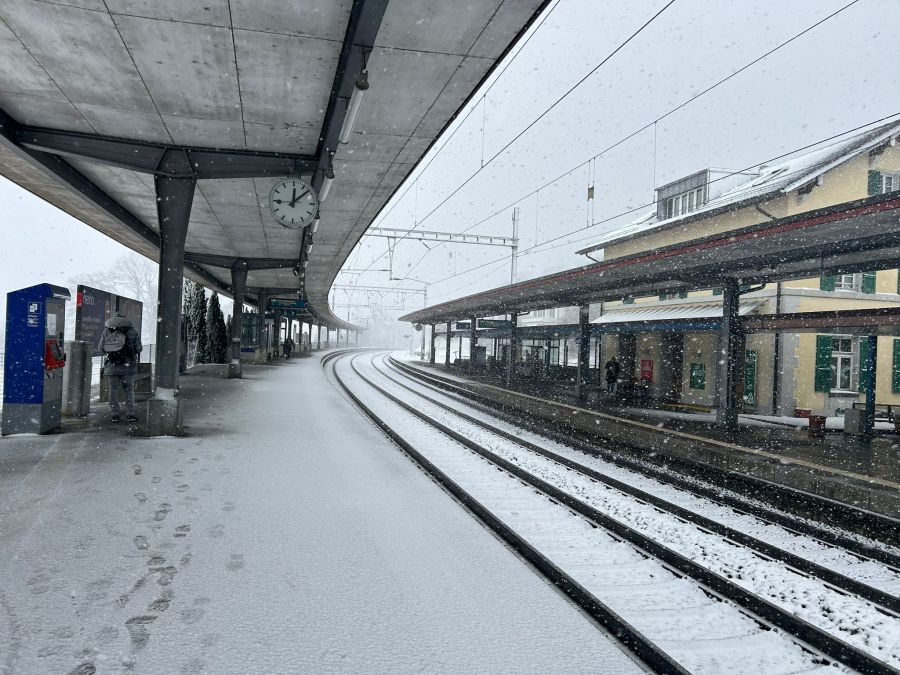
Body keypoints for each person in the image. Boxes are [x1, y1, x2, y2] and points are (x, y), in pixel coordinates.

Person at [98, 310, 142, 422]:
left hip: (112, 366)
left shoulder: (107, 331)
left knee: (113, 390)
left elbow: (100, 348)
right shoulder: (131, 331)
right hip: (128, 366)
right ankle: (130, 413)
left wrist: (111, 354)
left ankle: (114, 414)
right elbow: (139, 348)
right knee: (129, 390)